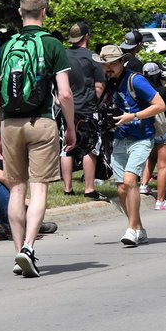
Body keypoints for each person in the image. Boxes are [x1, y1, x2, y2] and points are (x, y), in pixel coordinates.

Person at [0, 0, 76, 278]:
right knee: (39, 188)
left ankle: (17, 253)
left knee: (16, 188)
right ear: (45, 12)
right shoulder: (52, 44)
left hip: (10, 124)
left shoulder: (7, 46)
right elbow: (64, 93)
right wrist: (71, 127)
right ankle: (29, 247)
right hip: (42, 123)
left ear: (19, 12)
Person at [93, 45, 165, 246]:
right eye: (104, 65)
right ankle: (138, 227)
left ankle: (131, 229)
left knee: (130, 181)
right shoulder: (111, 82)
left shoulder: (136, 80)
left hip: (141, 138)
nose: (108, 68)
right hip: (120, 139)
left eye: (111, 64)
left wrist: (132, 116)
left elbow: (159, 105)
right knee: (122, 188)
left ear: (121, 62)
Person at [61, 22, 106, 200]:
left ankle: (67, 188)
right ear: (86, 36)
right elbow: (99, 85)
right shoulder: (93, 57)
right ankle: (89, 189)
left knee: (67, 147)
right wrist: (94, 101)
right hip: (87, 108)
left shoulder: (63, 55)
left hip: (67, 107)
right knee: (89, 147)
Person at [141, 63, 166, 210]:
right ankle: (161, 201)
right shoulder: (162, 91)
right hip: (162, 130)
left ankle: (143, 185)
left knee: (150, 159)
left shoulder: (141, 90)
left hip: (147, 130)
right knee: (163, 166)